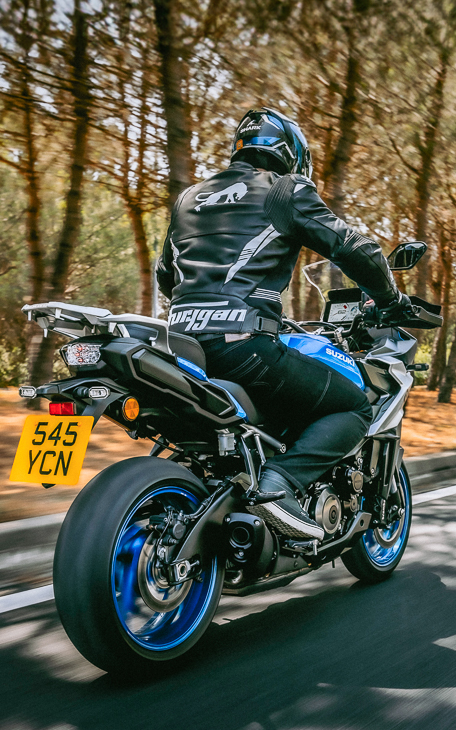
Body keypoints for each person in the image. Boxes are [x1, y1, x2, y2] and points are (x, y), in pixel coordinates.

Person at [155, 107, 411, 541]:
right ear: (291, 154)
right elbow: (352, 248)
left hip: (180, 348)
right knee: (353, 407)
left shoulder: (189, 198)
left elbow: (167, 275)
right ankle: (279, 484)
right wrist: (391, 299)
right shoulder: (283, 189)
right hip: (240, 348)